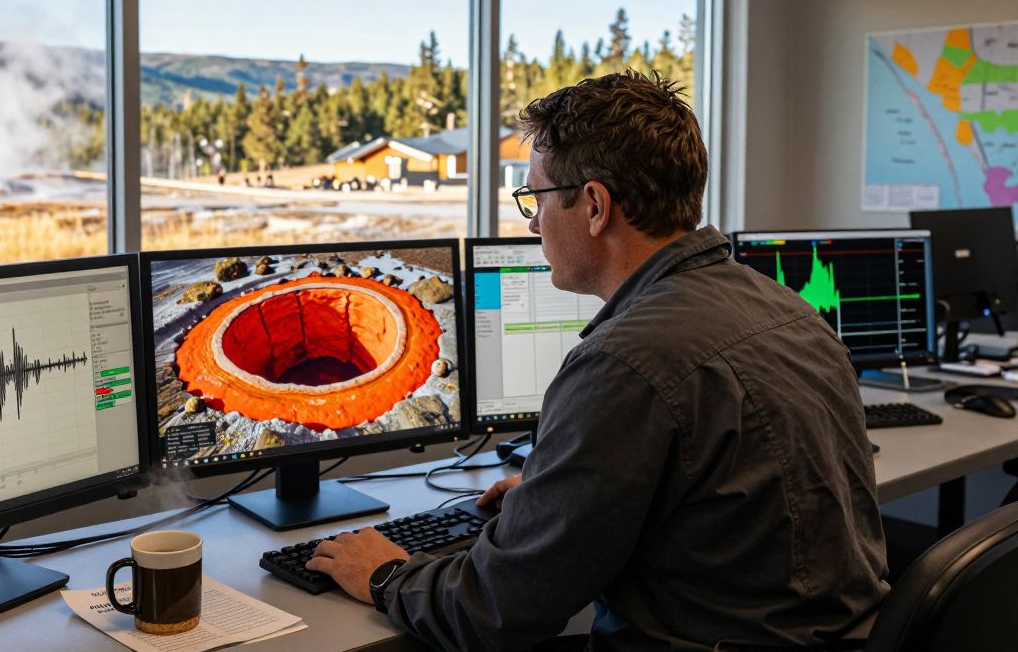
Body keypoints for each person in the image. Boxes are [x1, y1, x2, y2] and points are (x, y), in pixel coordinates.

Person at [307, 70, 889, 651]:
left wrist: (386, 575)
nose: (532, 223)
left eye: (535, 199)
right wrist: (556, 501)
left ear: (593, 206)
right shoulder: (787, 308)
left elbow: (496, 611)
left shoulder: (624, 362)